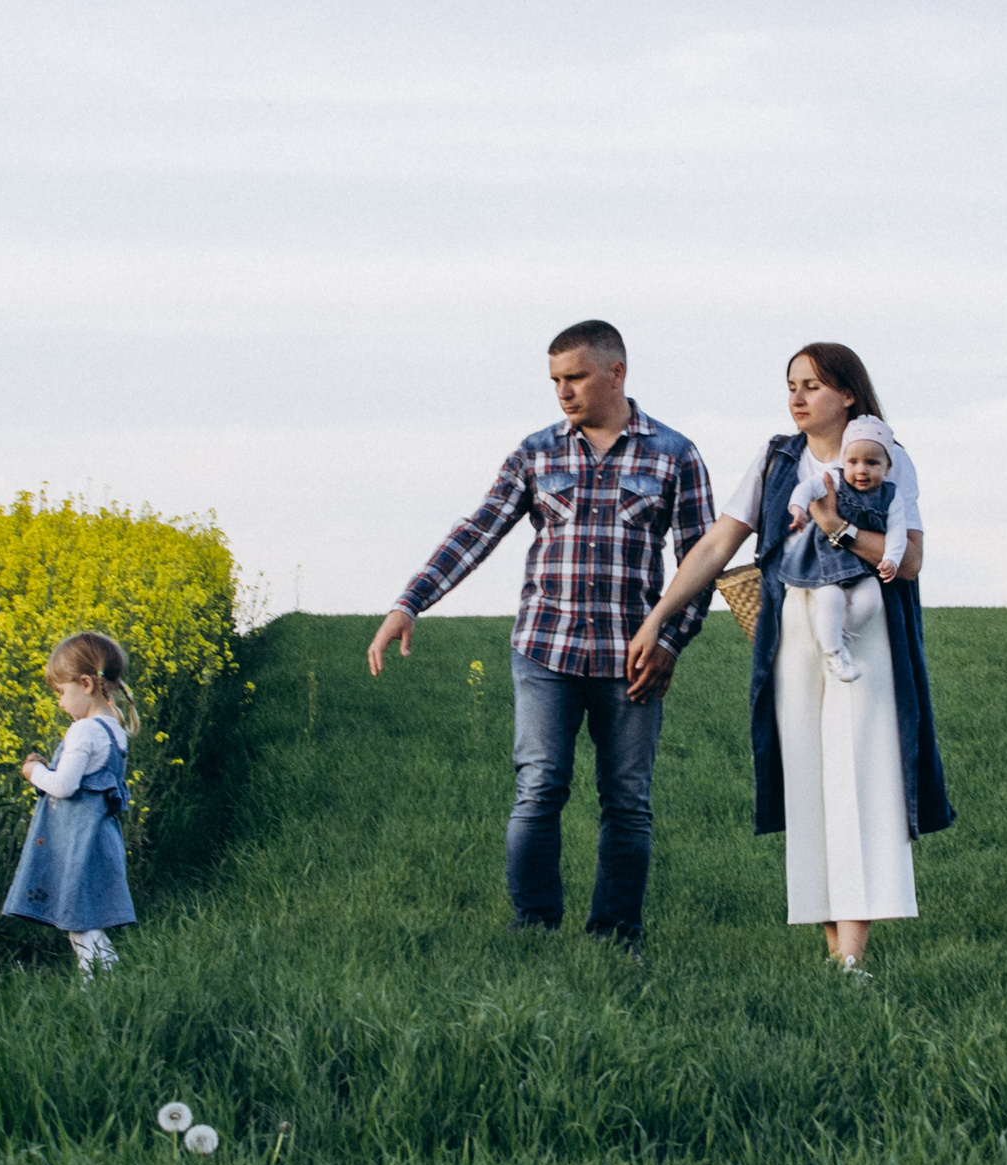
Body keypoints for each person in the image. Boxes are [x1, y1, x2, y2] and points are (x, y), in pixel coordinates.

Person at [366, 320, 716, 959]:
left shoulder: (675, 454)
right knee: (539, 788)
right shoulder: (536, 452)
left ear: (616, 372)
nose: (564, 392)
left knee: (628, 802)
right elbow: (478, 531)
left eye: (576, 377)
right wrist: (408, 603)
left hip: (629, 658)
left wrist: (671, 642)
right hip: (545, 650)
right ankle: (534, 927)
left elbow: (702, 562)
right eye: (556, 380)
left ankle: (617, 938)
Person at [627, 343, 952, 976]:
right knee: (808, 783)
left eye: (812, 386)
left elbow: (907, 562)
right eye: (791, 386)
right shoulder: (777, 459)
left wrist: (835, 527)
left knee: (861, 776)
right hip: (790, 633)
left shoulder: (888, 460)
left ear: (849, 394)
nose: (797, 398)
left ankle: (852, 956)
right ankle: (837, 955)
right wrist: (658, 615)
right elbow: (719, 542)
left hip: (865, 638)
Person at [2, 631, 139, 976]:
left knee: (78, 919)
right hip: (100, 837)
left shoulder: (84, 731)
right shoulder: (114, 728)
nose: (60, 703)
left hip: (77, 841)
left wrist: (34, 771)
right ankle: (105, 980)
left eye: (62, 693)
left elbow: (63, 785)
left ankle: (101, 982)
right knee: (83, 919)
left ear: (87, 684)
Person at [781, 416, 907, 682]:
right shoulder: (835, 481)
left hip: (859, 564)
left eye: (871, 463)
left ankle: (837, 637)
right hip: (823, 558)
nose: (861, 469)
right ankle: (834, 653)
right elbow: (805, 489)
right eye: (853, 461)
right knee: (831, 599)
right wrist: (798, 509)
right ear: (843, 461)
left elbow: (897, 531)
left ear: (887, 468)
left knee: (870, 602)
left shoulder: (891, 495)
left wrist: (891, 559)